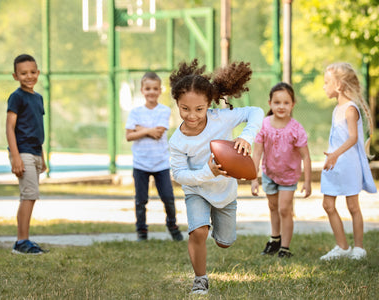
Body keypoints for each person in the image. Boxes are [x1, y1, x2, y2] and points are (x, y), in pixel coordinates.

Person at [169, 59, 264, 295]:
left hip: (224, 192)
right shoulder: (177, 141)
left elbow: (256, 112)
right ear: (177, 104)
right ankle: (200, 279)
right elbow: (180, 175)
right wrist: (207, 172)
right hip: (197, 190)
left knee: (224, 242)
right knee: (198, 231)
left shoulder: (221, 118)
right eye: (184, 108)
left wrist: (246, 137)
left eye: (199, 109)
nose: (192, 115)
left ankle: (216, 227)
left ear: (209, 104)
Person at [319, 62, 377, 261]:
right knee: (328, 205)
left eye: (327, 82)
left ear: (339, 86)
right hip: (334, 166)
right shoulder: (337, 108)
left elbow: (352, 138)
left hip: (348, 165)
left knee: (353, 207)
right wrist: (332, 157)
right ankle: (342, 246)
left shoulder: (350, 109)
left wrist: (335, 154)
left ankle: (359, 248)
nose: (324, 86)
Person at [251, 82, 312, 258]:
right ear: (270, 103)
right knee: (272, 206)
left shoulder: (296, 129)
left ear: (292, 104)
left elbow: (306, 156)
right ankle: (274, 239)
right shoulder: (264, 125)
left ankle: (285, 248)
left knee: (284, 209)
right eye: (277, 102)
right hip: (269, 174)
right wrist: (253, 178)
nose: (281, 106)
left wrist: (307, 182)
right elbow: (257, 153)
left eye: (286, 103)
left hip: (289, 176)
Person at [125, 71, 183, 242]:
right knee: (141, 200)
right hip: (140, 163)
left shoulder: (164, 110)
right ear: (142, 90)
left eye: (155, 88)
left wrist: (140, 129)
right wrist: (147, 130)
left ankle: (172, 226)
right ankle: (141, 232)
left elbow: (158, 132)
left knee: (168, 198)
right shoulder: (135, 112)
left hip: (161, 164)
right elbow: (129, 135)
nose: (151, 92)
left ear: (160, 90)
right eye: (148, 88)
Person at [6, 54, 48, 254]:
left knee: (30, 196)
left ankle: (24, 240)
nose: (29, 76)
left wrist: (43, 157)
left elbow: (37, 129)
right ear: (15, 76)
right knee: (29, 196)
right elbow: (9, 127)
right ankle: (22, 241)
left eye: (32, 72)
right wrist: (15, 156)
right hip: (22, 152)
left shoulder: (38, 98)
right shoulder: (17, 97)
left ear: (38, 73)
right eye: (23, 73)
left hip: (35, 153)